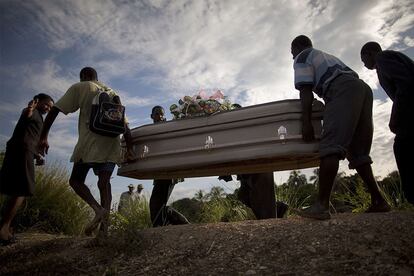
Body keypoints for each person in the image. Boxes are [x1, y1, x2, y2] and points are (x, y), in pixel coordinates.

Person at [291, 35, 390, 220]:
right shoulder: (324, 56)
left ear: (297, 47)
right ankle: (379, 200)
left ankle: (321, 205)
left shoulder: (302, 57)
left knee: (330, 146)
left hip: (341, 90)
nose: (292, 57)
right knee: (357, 152)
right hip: (361, 89)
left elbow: (305, 92)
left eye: (291, 52)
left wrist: (306, 123)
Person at [37, 67, 133, 236]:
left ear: (84, 76)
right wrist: (130, 148)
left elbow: (55, 109)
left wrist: (43, 137)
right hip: (112, 145)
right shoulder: (112, 91)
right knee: (104, 184)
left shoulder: (82, 86)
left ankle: (98, 209)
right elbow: (125, 125)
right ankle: (104, 230)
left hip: (90, 143)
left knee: (75, 180)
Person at [360, 41, 414, 205]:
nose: (364, 64)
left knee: (402, 148)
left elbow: (405, 84)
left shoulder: (383, 58)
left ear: (370, 53)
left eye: (364, 60)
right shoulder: (392, 58)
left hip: (410, 112)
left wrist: (396, 116)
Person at [0, 93, 54, 245]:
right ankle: (4, 229)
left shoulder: (40, 117)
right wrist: (31, 107)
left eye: (50, 107)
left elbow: (28, 135)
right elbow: (27, 114)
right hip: (22, 151)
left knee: (12, 188)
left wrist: (36, 155)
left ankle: (6, 226)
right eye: (46, 105)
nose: (48, 108)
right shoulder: (31, 111)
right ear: (38, 101)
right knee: (22, 189)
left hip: (22, 150)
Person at [149, 106, 189, 227]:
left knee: (156, 204)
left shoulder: (168, 128)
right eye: (157, 114)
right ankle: (168, 226)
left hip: (168, 172)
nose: (159, 116)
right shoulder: (152, 130)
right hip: (159, 172)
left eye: (161, 114)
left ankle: (177, 226)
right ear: (152, 116)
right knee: (156, 204)